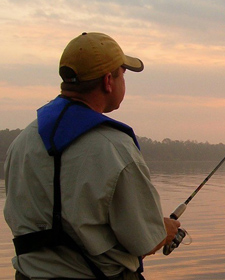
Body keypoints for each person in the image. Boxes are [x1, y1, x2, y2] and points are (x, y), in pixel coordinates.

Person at [4, 32, 180, 280]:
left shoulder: (22, 142)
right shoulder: (115, 148)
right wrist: (165, 230)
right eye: (123, 74)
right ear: (109, 81)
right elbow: (144, 241)